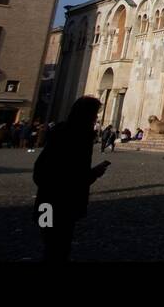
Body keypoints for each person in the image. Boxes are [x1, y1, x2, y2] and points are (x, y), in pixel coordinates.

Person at [33, 96, 110, 261]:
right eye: (95, 114)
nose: (96, 118)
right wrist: (93, 173)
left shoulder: (62, 133)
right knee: (58, 245)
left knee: (51, 243)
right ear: (86, 115)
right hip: (61, 204)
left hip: (46, 202)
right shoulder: (77, 137)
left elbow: (44, 171)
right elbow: (69, 176)